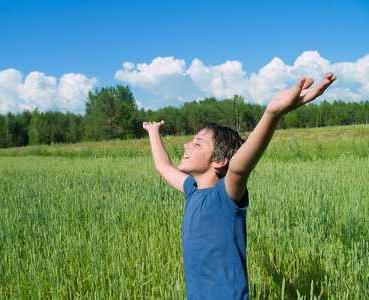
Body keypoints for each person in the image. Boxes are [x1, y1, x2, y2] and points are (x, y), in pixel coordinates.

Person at [143, 73, 337, 299]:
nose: (187, 144)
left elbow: (239, 167)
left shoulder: (224, 196)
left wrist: (271, 114)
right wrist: (153, 132)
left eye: (198, 143)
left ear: (218, 161)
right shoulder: (192, 190)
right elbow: (163, 166)